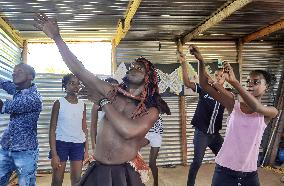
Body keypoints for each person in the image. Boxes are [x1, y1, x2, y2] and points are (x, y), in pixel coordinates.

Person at [34, 13, 171, 186]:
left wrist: (103, 103)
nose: (133, 68)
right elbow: (81, 71)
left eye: (140, 68)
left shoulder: (150, 109)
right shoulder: (112, 92)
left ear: (148, 79)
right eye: (133, 66)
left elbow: (128, 131)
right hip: (98, 169)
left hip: (123, 172)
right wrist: (57, 37)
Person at [188, 45, 278, 186]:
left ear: (266, 88)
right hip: (224, 171)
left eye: (256, 82)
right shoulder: (233, 105)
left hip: (250, 174)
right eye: (248, 81)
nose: (250, 84)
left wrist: (235, 82)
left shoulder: (270, 112)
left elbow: (256, 107)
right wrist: (201, 60)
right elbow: (205, 87)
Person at [178, 48, 227, 186]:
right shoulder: (205, 89)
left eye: (221, 76)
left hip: (215, 135)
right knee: (197, 161)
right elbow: (187, 83)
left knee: (225, 158)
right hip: (202, 134)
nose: (218, 77)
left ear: (226, 79)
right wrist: (183, 63)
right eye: (216, 75)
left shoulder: (227, 95)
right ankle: (190, 184)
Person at [0, 63, 42, 186]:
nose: (14, 73)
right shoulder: (19, 90)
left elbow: (2, 107)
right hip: (6, 147)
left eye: (19, 71)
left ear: (30, 77)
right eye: (14, 71)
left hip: (25, 152)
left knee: (26, 184)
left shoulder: (33, 98)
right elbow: (4, 83)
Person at [49, 73, 88, 186]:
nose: (76, 86)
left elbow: (84, 127)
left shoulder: (82, 105)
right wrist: (54, 153)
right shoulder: (59, 103)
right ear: (64, 85)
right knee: (57, 179)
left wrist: (86, 150)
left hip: (78, 145)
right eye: (72, 83)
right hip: (61, 144)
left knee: (77, 179)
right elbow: (52, 129)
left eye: (78, 84)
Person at [90, 77, 119, 156]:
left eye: (117, 87)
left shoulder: (120, 103)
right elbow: (93, 126)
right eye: (112, 87)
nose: (115, 90)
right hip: (103, 141)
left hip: (119, 142)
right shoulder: (97, 105)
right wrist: (93, 144)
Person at [140, 115, 164, 186]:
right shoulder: (145, 108)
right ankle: (138, 180)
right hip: (146, 134)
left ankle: (156, 183)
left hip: (157, 135)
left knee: (152, 163)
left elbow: (167, 111)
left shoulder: (158, 108)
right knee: (134, 151)